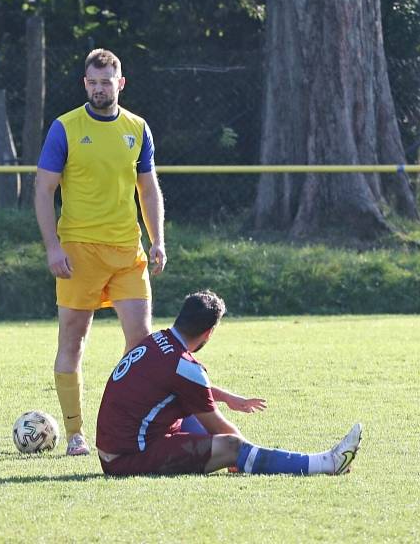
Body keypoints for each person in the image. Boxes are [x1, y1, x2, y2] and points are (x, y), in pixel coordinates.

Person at [34, 48, 166, 456]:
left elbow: (147, 187)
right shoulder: (65, 127)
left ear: (120, 84)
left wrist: (157, 238)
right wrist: (53, 246)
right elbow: (43, 190)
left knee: (141, 341)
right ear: (84, 83)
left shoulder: (137, 128)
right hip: (79, 251)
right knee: (73, 341)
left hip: (128, 250)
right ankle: (75, 434)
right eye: (91, 82)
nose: (98, 88)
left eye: (106, 82)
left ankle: (125, 419)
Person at [96, 290, 363, 476]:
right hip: (128, 458)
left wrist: (225, 396)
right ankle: (326, 463)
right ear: (208, 333)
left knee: (200, 423)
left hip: (118, 447)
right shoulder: (186, 367)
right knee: (230, 445)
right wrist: (243, 453)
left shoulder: (155, 341)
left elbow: (166, 387)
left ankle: (259, 459)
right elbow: (221, 428)